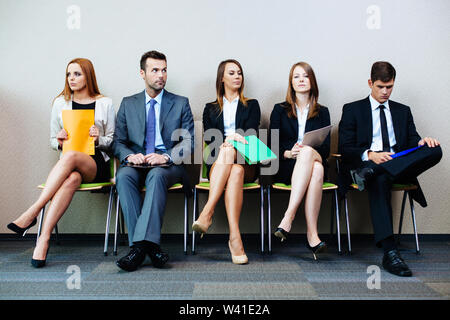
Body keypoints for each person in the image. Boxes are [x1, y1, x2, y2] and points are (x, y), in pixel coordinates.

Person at [7, 58, 115, 268]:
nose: (71, 79)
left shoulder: (105, 103)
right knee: (72, 178)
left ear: (88, 76)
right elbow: (51, 141)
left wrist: (99, 139)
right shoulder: (60, 103)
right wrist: (59, 140)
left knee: (72, 156)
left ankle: (33, 211)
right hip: (69, 167)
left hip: (95, 164)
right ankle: (43, 240)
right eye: (68, 74)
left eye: (77, 74)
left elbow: (113, 141)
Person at [338, 61, 442, 277]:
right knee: (380, 179)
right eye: (380, 87)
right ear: (370, 83)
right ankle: (390, 252)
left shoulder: (403, 111)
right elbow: (345, 148)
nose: (385, 92)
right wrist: (370, 155)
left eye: (390, 87)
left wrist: (423, 142)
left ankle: (375, 172)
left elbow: (413, 141)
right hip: (369, 163)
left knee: (435, 150)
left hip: (396, 164)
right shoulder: (353, 109)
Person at [113, 50, 194, 272]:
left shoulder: (180, 103)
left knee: (156, 175)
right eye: (155, 70)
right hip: (136, 162)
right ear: (142, 73)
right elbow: (117, 142)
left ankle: (138, 249)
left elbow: (188, 143)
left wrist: (165, 156)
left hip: (168, 166)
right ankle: (149, 248)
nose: (161, 75)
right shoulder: (128, 103)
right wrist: (130, 156)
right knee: (123, 176)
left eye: (164, 70)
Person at [192, 59, 261, 264]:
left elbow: (252, 134)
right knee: (233, 167)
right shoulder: (210, 108)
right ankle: (235, 237)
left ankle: (207, 211)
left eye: (239, 72)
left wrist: (233, 139)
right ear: (222, 78)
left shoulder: (252, 105)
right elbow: (210, 141)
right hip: (218, 163)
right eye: (231, 73)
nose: (237, 76)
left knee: (236, 161)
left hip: (247, 161)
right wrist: (227, 142)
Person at [269, 62, 330, 260]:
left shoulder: (323, 111)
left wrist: (307, 151)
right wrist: (287, 153)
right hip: (288, 166)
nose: (301, 80)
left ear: (312, 81)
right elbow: (271, 143)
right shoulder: (279, 110)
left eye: (305, 76)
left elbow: (327, 148)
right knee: (318, 170)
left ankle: (289, 217)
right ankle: (312, 235)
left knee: (308, 153)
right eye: (296, 76)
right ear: (291, 82)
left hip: (316, 156)